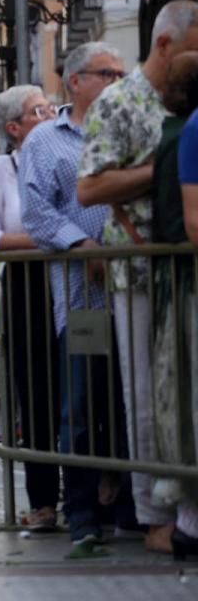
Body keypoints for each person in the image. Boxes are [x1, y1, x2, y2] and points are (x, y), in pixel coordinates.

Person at [77, 0, 198, 554]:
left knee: (184, 394)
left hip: (184, 271)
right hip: (139, 270)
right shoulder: (119, 102)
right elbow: (90, 189)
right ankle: (154, 517)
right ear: (166, 44)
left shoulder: (185, 98)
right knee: (145, 395)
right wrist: (165, 166)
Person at [20, 42, 134, 547]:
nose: (116, 80)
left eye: (119, 73)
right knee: (83, 403)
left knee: (133, 402)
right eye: (105, 73)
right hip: (84, 298)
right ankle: (82, 512)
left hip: (140, 291)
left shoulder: (130, 128)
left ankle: (131, 508)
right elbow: (38, 212)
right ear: (75, 81)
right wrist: (82, 245)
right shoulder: (46, 139)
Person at [0, 84, 57, 529]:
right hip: (28, 282)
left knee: (86, 387)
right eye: (38, 110)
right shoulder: (1, 169)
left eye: (48, 105)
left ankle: (97, 494)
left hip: (80, 280)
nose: (50, 113)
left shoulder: (74, 152)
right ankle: (44, 500)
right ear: (14, 128)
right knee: (37, 391)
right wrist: (49, 241)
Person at [149, 48, 198, 559]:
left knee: (180, 397)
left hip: (177, 284)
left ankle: (186, 520)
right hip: (183, 284)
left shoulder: (173, 135)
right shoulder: (187, 134)